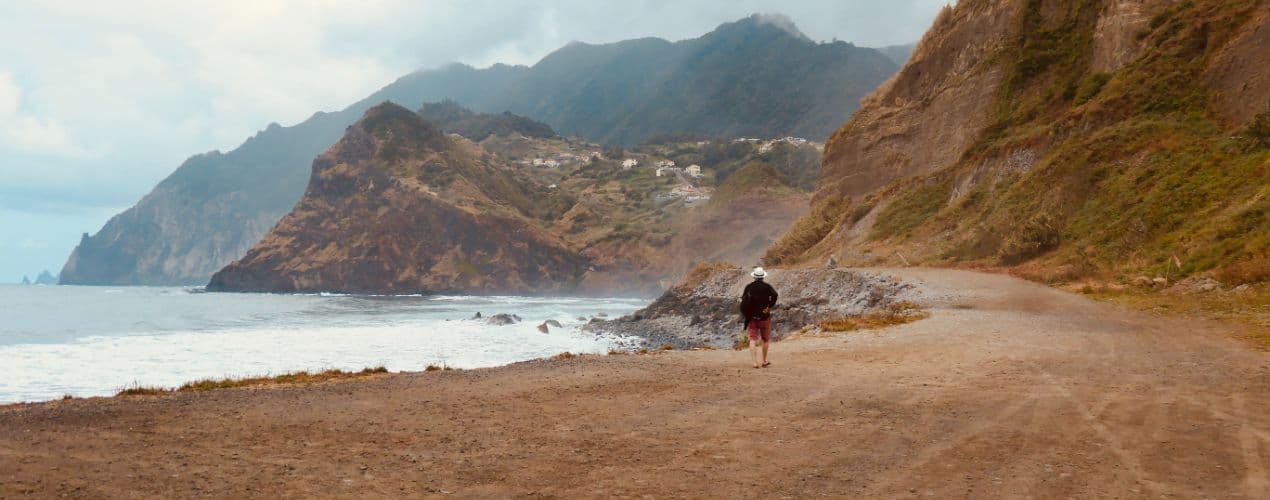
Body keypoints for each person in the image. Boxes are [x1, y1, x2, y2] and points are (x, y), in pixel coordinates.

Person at [740, 266, 778, 368]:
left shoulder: (749, 287)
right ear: (763, 277)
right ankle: (764, 361)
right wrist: (769, 306)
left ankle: (755, 363)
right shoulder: (767, 287)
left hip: (752, 318)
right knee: (765, 339)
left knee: (752, 339)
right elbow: (775, 295)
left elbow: (743, 301)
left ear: (754, 277)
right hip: (765, 317)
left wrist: (747, 313)